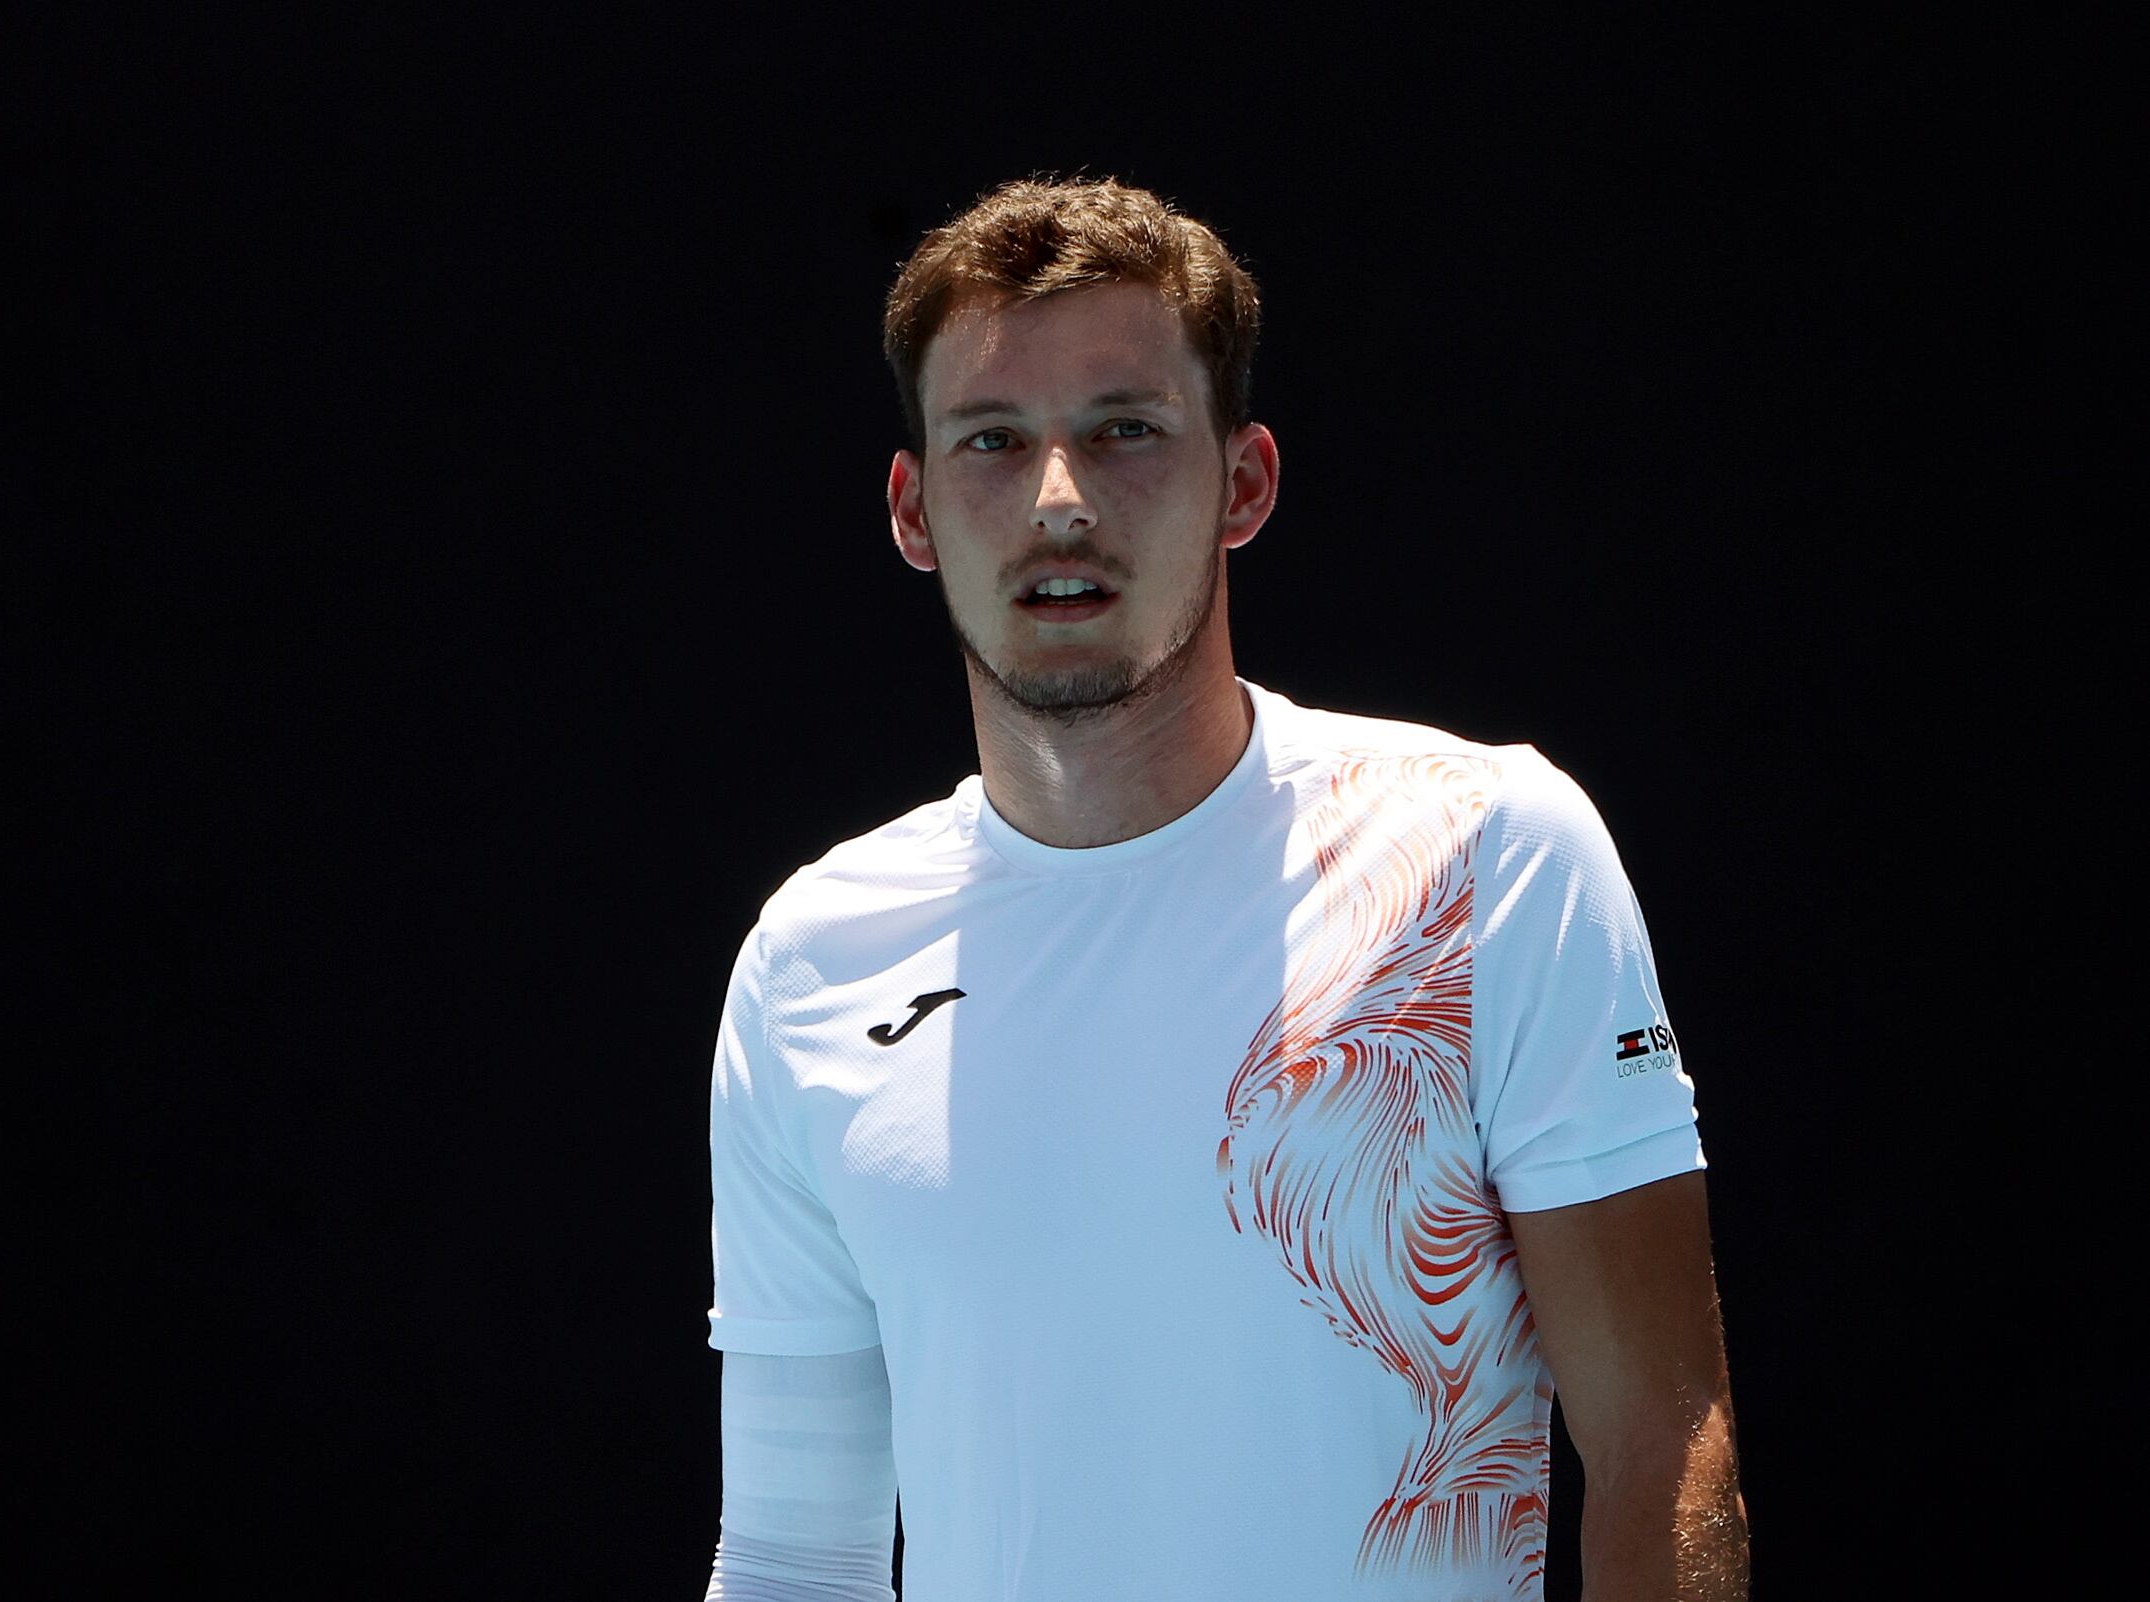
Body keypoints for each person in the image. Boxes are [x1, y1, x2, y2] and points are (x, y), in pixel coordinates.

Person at [701, 176, 1747, 1601]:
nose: (1058, 498)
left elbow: (1660, 1443)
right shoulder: (809, 960)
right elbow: (791, 1560)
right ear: (915, 509)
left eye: (1124, 430)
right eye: (993, 443)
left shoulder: (1489, 852)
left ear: (1244, 481)